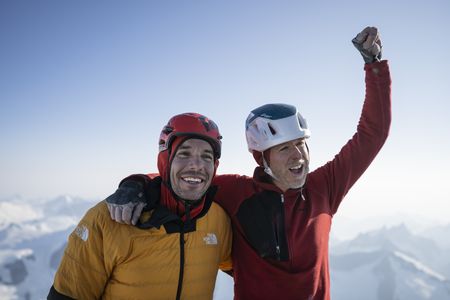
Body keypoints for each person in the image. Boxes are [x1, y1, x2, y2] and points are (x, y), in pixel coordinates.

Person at [106, 26, 391, 300]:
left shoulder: (324, 188)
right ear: (261, 157)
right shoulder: (236, 193)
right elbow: (178, 178)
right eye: (283, 148)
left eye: (301, 144)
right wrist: (134, 184)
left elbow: (372, 135)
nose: (298, 155)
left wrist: (374, 64)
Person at [48, 113, 233, 300]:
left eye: (207, 156)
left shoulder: (218, 220)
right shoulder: (107, 219)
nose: (197, 165)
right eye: (184, 153)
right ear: (165, 160)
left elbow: (247, 269)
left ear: (215, 165)